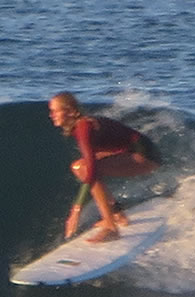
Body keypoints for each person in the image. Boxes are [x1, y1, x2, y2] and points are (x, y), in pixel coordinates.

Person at [48, 92, 162, 243]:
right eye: (51, 111)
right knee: (78, 166)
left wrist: (76, 210)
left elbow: (92, 169)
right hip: (134, 151)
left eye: (56, 111)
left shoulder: (83, 128)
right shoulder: (82, 125)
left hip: (145, 155)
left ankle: (111, 227)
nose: (52, 115)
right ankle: (117, 215)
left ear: (69, 111)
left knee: (86, 169)